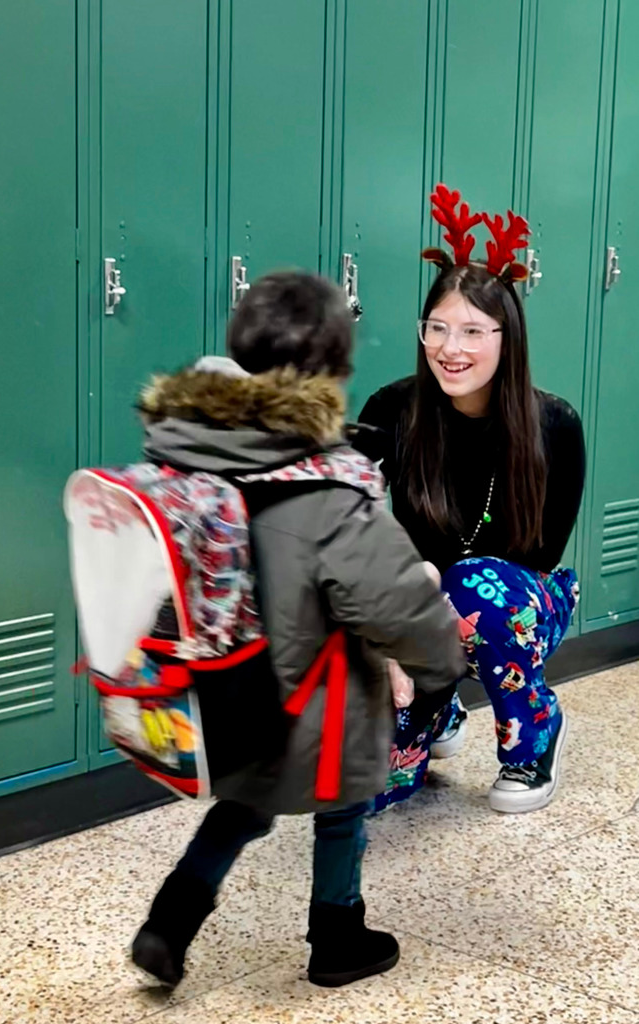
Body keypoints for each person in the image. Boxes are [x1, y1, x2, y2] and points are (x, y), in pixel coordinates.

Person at [131, 271, 465, 989]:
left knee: (240, 811)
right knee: (342, 813)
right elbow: (391, 597)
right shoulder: (326, 480)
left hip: (225, 687)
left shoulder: (192, 448)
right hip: (320, 701)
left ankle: (168, 923)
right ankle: (337, 937)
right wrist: (441, 664)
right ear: (337, 371)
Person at [357, 184, 585, 815]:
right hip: (413, 609)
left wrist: (433, 588)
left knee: (476, 587)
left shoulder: (552, 425)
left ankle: (532, 734)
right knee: (368, 790)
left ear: (505, 337)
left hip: (512, 602)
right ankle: (435, 711)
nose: (450, 349)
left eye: (472, 331)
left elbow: (540, 551)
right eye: (437, 328)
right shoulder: (394, 407)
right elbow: (335, 506)